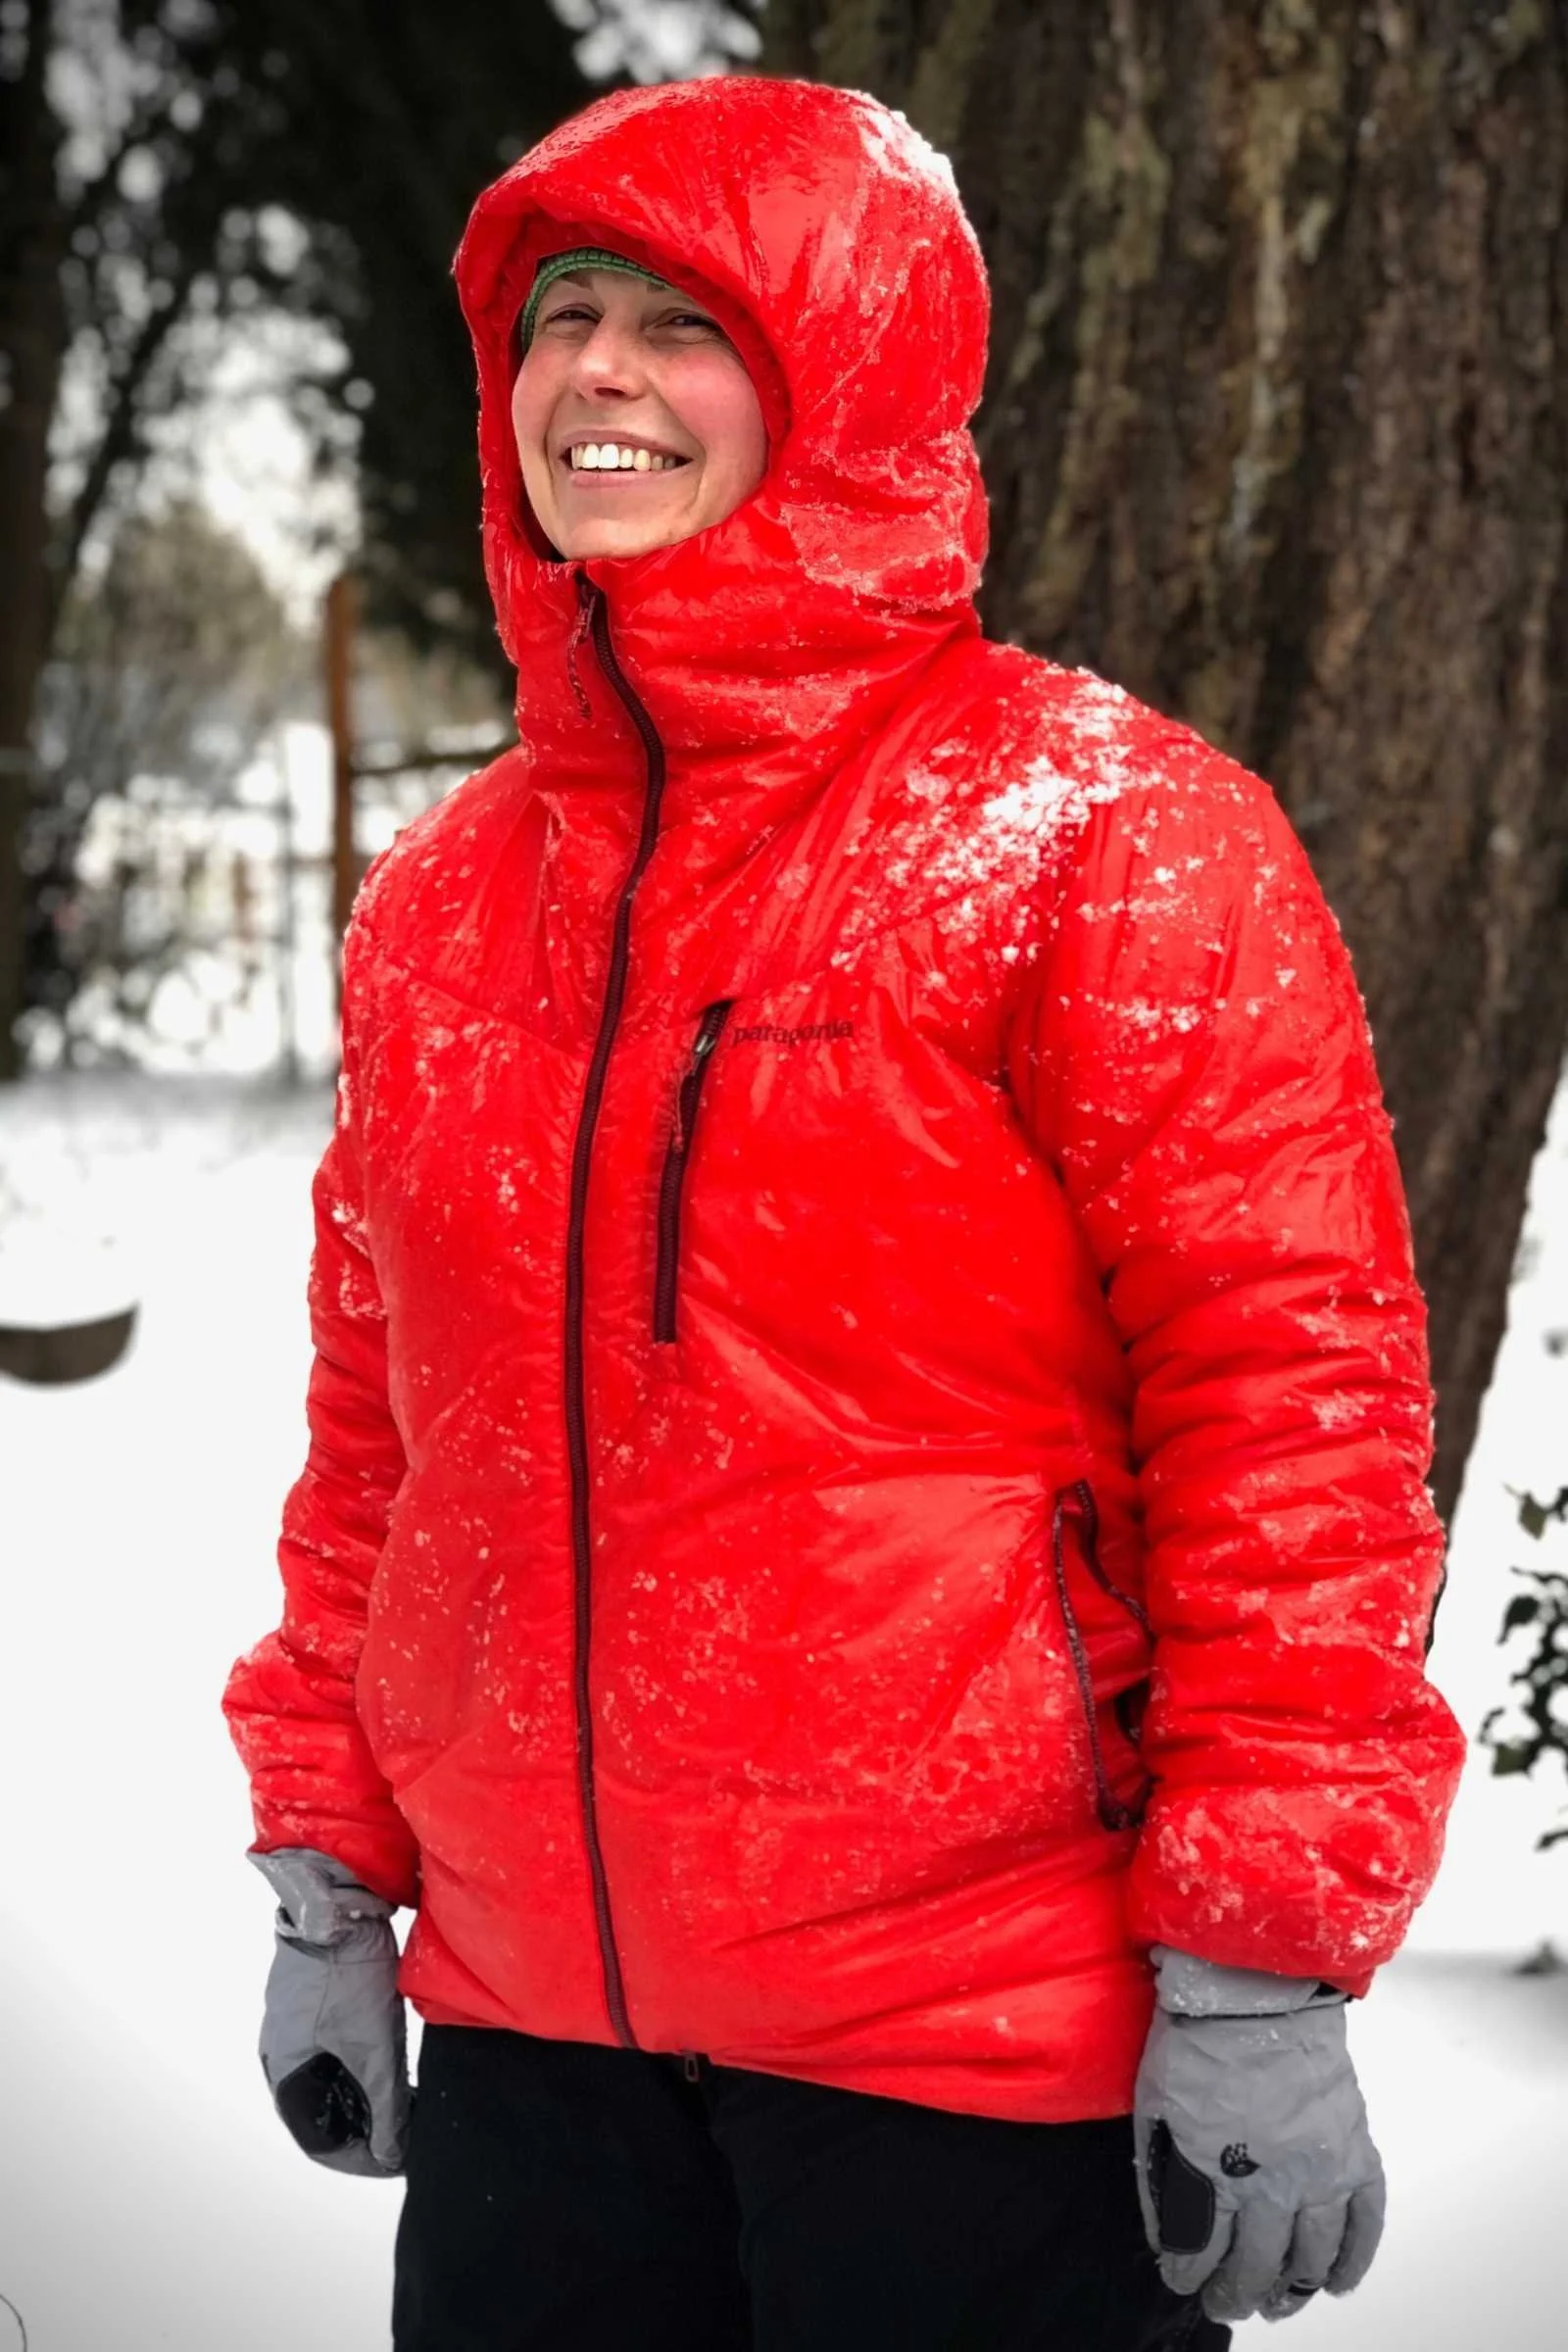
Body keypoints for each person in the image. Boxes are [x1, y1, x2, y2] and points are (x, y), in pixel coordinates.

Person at [222, 74, 1466, 2352]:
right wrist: (329, 1869)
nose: (590, 374)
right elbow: (387, 1433)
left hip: (977, 2073)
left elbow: (1292, 1419)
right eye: (556, 315)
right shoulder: (448, 899)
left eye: (679, 323)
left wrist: (1262, 1962)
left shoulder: (1098, 832)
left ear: (849, 366)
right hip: (536, 2058)